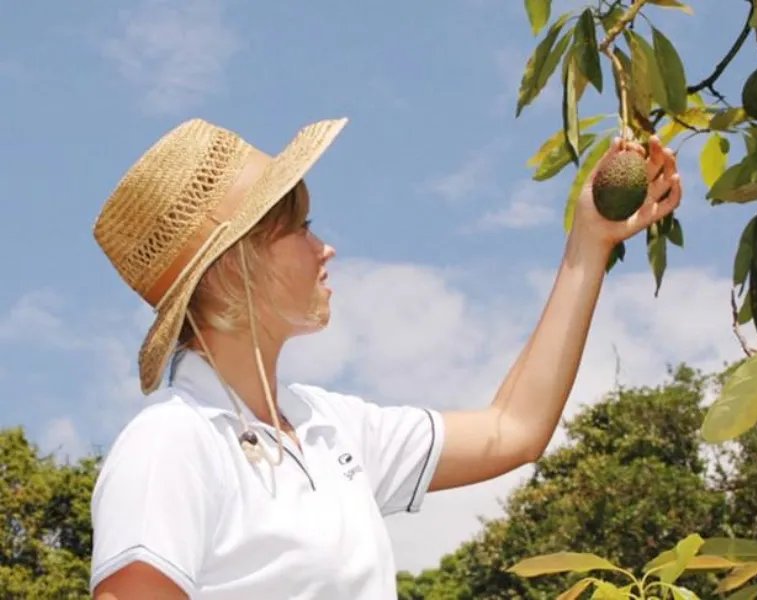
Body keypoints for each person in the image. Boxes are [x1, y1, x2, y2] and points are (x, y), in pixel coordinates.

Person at [89, 116, 681, 599]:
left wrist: (590, 241)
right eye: (302, 228)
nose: (326, 248)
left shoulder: (328, 429)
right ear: (235, 265)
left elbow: (513, 429)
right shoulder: (172, 443)